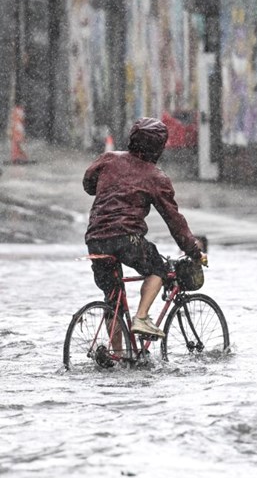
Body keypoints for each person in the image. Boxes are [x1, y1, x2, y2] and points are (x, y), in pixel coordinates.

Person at [83, 117, 207, 338]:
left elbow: (89, 184)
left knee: (113, 298)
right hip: (126, 239)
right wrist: (194, 251)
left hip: (95, 239)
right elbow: (174, 220)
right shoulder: (155, 177)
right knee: (159, 268)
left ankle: (118, 355)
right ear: (159, 147)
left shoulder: (108, 160)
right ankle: (141, 317)